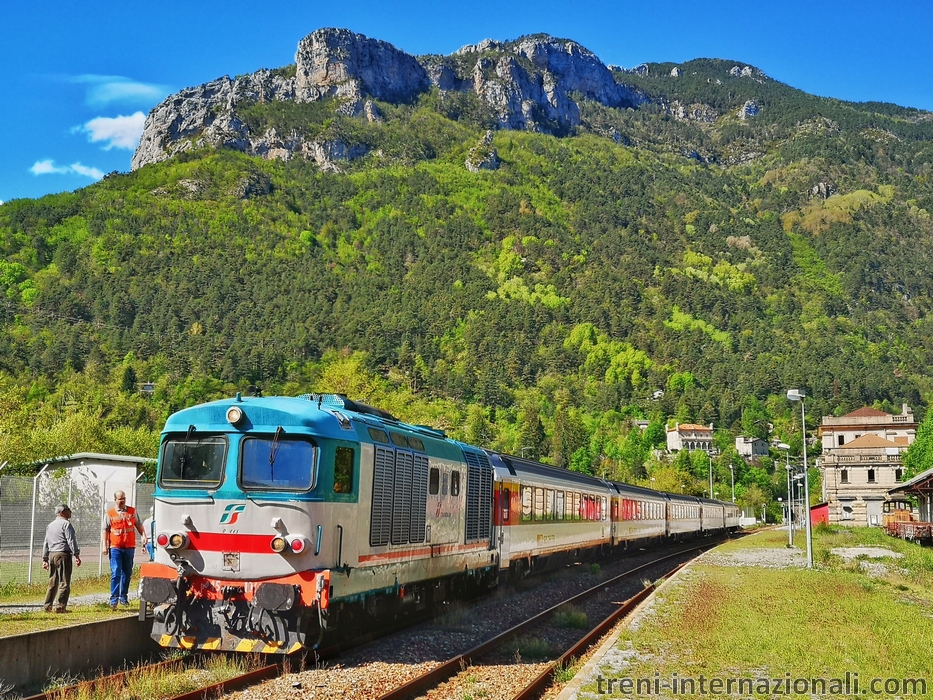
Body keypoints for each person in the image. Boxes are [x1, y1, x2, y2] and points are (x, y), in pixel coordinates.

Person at [102, 490, 147, 610]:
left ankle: (123, 597)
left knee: (127, 573)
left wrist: (143, 535)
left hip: (129, 547)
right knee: (116, 572)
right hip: (115, 547)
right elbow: (105, 530)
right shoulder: (110, 513)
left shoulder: (132, 511)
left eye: (124, 499)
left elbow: (138, 524)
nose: (122, 501)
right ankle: (113, 599)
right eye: (120, 499)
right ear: (115, 500)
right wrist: (104, 546)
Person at [42, 503, 81, 613]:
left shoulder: (50, 525)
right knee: (64, 581)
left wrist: (45, 558)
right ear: (62, 512)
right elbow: (71, 540)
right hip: (63, 554)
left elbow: (46, 542)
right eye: (68, 510)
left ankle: (47, 606)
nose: (71, 512)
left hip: (52, 554)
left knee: (53, 581)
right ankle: (60, 607)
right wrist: (76, 554)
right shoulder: (66, 524)